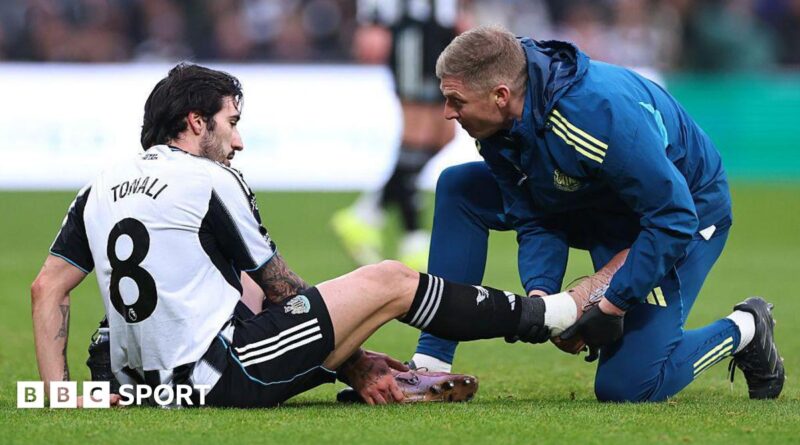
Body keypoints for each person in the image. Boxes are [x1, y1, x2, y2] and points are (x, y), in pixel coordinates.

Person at [31, 62, 623, 408]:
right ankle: (550, 315)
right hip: (215, 378)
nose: (237, 142)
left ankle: (373, 371)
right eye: (232, 124)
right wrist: (353, 352)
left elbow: (46, 292)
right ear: (195, 123)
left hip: (136, 385)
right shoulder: (209, 178)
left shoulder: (100, 184)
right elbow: (288, 291)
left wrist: (59, 397)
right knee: (386, 280)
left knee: (242, 287)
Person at [410, 25, 784, 401]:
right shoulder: (499, 112)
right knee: (461, 187)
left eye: (456, 101)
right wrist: (544, 302)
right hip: (596, 200)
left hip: (683, 213)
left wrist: (611, 304)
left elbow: (673, 216)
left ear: (501, 95)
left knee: (627, 386)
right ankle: (432, 365)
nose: (447, 112)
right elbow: (533, 212)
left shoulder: (593, 117)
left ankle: (747, 328)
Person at [330, 0, 470, 271]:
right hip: (411, 30)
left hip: (441, 30)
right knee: (416, 134)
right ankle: (413, 239)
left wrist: (456, 14)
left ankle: (367, 213)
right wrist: (371, 20)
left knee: (444, 134)